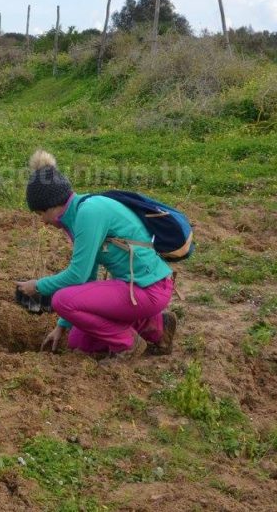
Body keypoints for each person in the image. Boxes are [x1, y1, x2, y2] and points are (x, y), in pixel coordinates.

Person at [15, 150, 177, 359]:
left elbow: (77, 276)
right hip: (139, 289)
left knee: (60, 300)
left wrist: (37, 286)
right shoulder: (77, 215)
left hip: (148, 289)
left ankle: (128, 344)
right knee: (79, 341)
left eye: (41, 214)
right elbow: (87, 279)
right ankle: (158, 327)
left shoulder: (88, 214)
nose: (43, 221)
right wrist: (62, 326)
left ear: (53, 205)